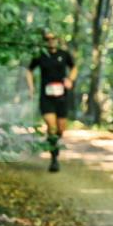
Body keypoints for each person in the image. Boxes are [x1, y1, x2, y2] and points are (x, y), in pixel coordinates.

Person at [27, 29, 77, 172]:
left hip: (61, 98)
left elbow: (74, 67)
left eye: (53, 38)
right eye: (47, 39)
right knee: (52, 127)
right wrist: (31, 87)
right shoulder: (40, 55)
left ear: (57, 39)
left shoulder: (64, 54)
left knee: (60, 129)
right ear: (44, 41)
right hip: (46, 97)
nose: (51, 41)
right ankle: (54, 159)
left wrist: (70, 79)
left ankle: (52, 141)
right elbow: (29, 70)